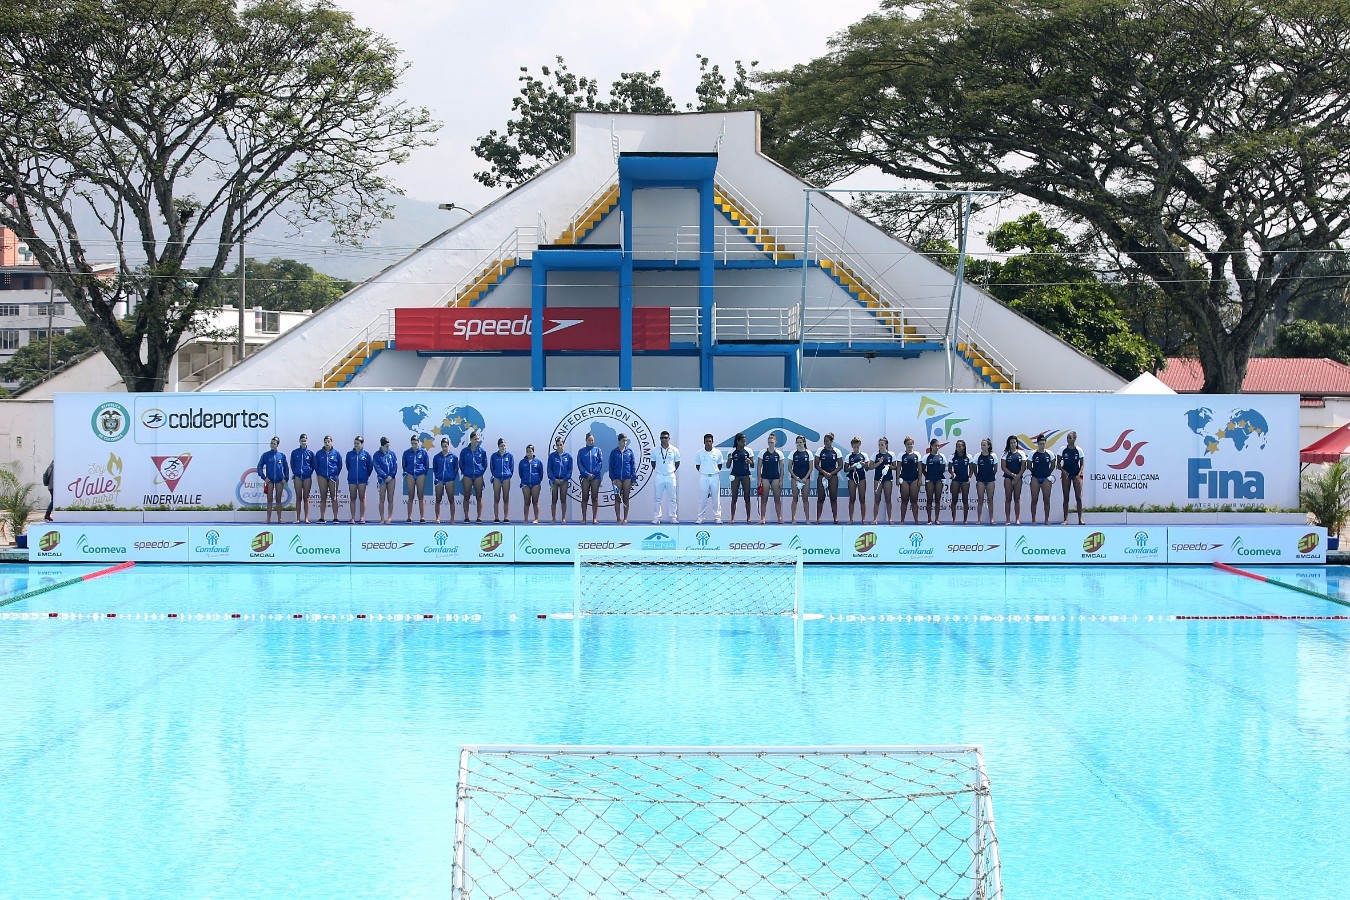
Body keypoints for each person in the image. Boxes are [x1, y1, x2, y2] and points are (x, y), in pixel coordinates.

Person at [256, 436, 290, 524]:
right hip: (270, 480)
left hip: (279, 480)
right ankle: (268, 519)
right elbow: (259, 467)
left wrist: (285, 478)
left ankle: (280, 519)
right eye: (271, 443)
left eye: (274, 443)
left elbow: (286, 468)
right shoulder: (266, 455)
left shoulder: (281, 456)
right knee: (269, 499)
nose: (272, 445)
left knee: (278, 500)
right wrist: (264, 477)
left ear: (277, 445)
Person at [649, 430, 680, 524]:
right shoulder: (655, 450)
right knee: (657, 498)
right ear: (660, 439)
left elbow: (677, 462)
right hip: (659, 476)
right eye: (662, 438)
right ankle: (656, 517)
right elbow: (653, 463)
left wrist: (671, 471)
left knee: (672, 498)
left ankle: (673, 517)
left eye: (666, 438)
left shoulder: (674, 450)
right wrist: (660, 470)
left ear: (669, 439)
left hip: (670, 476)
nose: (664, 439)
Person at [694, 433, 724, 525]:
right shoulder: (699, 453)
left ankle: (717, 517)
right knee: (703, 498)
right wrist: (705, 471)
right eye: (707, 441)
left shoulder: (717, 452)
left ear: (712, 442)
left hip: (715, 476)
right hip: (704, 477)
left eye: (710, 441)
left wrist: (713, 471)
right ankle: (700, 517)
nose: (708, 443)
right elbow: (697, 465)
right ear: (704, 442)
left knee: (716, 498)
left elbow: (720, 465)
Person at [608, 433, 637, 524]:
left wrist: (633, 479)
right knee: (617, 498)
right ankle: (618, 518)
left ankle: (625, 518)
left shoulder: (629, 452)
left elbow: (633, 466)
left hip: (627, 478)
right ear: (619, 441)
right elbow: (611, 466)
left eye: (626, 441)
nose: (625, 442)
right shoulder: (614, 452)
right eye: (623, 440)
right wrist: (613, 478)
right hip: (617, 478)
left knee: (626, 498)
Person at [1028, 434, 1057, 525]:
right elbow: (1029, 466)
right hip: (1035, 478)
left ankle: (1046, 520)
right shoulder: (1033, 454)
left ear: (1045, 443)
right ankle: (1033, 520)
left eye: (1043, 443)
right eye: (1040, 443)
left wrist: (1047, 473)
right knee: (1034, 499)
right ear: (1037, 444)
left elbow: (1053, 465)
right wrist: (1035, 472)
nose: (1042, 445)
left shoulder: (1050, 454)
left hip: (1046, 479)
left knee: (1046, 499)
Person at [459, 432, 487, 523]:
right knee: (466, 496)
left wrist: (480, 472)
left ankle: (479, 517)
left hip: (478, 476)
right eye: (475, 439)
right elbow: (461, 464)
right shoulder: (464, 451)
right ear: (471, 439)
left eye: (478, 439)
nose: (477, 441)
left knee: (479, 497)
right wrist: (465, 472)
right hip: (467, 476)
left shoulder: (482, 451)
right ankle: (466, 517)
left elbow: (484, 464)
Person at [1059, 430, 1086, 525]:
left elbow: (1082, 464)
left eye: (1070, 438)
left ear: (1075, 439)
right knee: (1066, 497)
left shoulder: (1079, 450)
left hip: (1076, 475)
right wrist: (1064, 472)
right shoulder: (1062, 449)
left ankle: (1080, 519)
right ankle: (1065, 519)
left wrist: (1079, 475)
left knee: (1078, 497)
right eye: (1067, 438)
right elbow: (1058, 464)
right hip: (1066, 475)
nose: (1068, 440)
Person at [577, 432, 605, 525]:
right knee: (584, 497)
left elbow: (600, 463)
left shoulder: (598, 450)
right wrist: (586, 473)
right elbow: (579, 464)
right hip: (585, 477)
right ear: (586, 441)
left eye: (592, 440)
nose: (591, 442)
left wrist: (593, 473)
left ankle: (594, 518)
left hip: (595, 477)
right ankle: (584, 518)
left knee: (595, 497)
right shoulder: (581, 451)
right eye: (589, 440)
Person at [815, 433, 843, 524]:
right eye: (824, 441)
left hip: (833, 476)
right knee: (821, 498)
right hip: (822, 475)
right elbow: (816, 464)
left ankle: (835, 518)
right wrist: (824, 473)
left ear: (831, 441)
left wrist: (831, 473)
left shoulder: (836, 451)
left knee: (833, 498)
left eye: (827, 441)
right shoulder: (820, 450)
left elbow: (840, 465)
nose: (825, 443)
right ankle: (818, 518)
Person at [757, 433, 784, 525]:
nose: (770, 444)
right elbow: (759, 466)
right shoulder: (762, 453)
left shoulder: (779, 453)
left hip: (776, 478)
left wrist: (781, 479)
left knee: (777, 499)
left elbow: (781, 468)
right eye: (769, 442)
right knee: (764, 499)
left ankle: (779, 518)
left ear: (775, 442)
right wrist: (759, 479)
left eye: (772, 442)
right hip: (765, 478)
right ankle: (763, 518)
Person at [314, 435, 343, 523]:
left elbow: (340, 465)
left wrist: (335, 474)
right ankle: (322, 518)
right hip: (322, 476)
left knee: (334, 497)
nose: (327, 443)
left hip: (333, 477)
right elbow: (316, 465)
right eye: (325, 442)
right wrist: (319, 474)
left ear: (331, 442)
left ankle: (335, 518)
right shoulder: (319, 453)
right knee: (323, 497)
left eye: (328, 441)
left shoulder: (336, 453)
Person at [727, 432, 754, 524]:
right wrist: (729, 459)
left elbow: (753, 465)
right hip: (735, 475)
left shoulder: (749, 451)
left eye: (745, 441)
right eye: (742, 441)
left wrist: (750, 462)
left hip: (746, 475)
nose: (744, 443)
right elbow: (727, 466)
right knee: (734, 497)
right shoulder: (731, 451)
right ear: (738, 442)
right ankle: (732, 518)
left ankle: (748, 518)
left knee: (747, 497)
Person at [432, 437, 460, 524]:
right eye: (443, 446)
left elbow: (456, 469)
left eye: (446, 446)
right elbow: (435, 468)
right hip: (439, 480)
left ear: (448, 446)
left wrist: (452, 478)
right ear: (441, 446)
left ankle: (452, 519)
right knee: (438, 499)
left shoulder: (454, 457)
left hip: (449, 480)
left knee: (451, 499)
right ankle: (437, 518)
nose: (444, 448)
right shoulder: (437, 457)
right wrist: (437, 476)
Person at [345, 436, 373, 524]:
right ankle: (352, 518)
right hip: (352, 479)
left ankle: (362, 517)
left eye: (358, 443)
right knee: (352, 498)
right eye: (355, 443)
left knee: (362, 498)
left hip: (362, 480)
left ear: (362, 444)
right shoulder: (349, 454)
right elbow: (348, 466)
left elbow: (370, 467)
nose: (356, 445)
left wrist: (365, 475)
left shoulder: (366, 454)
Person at [1001, 435, 1027, 525]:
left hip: (1018, 478)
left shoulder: (1021, 453)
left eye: (1014, 442)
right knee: (1008, 498)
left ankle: (1017, 519)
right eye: (1011, 442)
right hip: (1008, 478)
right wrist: (1012, 475)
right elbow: (1003, 467)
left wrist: (1017, 476)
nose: (1013, 444)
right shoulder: (1005, 453)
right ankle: (1008, 519)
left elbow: (1024, 467)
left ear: (1017, 443)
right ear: (1009, 443)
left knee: (1017, 499)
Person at [403, 435, 430, 523]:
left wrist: (423, 473)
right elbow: (404, 464)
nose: (414, 444)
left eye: (416, 443)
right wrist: (407, 471)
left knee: (420, 496)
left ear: (418, 442)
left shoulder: (423, 452)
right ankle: (409, 517)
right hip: (410, 474)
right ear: (411, 443)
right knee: (410, 496)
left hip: (420, 474)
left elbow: (426, 464)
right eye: (412, 443)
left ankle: (422, 517)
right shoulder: (406, 453)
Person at [547, 437, 574, 524]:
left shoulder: (568, 456)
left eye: (561, 445)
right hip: (554, 480)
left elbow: (570, 470)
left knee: (563, 499)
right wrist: (553, 479)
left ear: (563, 445)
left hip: (564, 480)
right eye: (558, 445)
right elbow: (549, 469)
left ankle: (563, 518)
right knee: (554, 499)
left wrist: (565, 479)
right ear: (556, 446)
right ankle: (553, 518)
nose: (559, 447)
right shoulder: (552, 456)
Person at [373, 437, 399, 525]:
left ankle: (389, 518)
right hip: (382, 479)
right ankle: (382, 518)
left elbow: (395, 466)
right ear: (382, 446)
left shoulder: (392, 454)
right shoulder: (376, 455)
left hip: (391, 479)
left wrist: (391, 476)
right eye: (386, 446)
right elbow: (377, 467)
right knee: (381, 499)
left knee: (390, 499)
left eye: (389, 446)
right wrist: (385, 476)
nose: (388, 448)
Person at [788, 435, 814, 525]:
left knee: (805, 499)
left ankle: (807, 519)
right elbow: (789, 468)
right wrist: (795, 477)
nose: (799, 444)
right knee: (795, 498)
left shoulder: (809, 453)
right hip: (795, 478)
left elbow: (811, 468)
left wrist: (805, 478)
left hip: (805, 479)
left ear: (804, 443)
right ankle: (793, 519)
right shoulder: (793, 453)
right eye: (797, 442)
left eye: (800, 442)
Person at [290, 434, 315, 523]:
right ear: (299, 441)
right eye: (302, 440)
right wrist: (296, 472)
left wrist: (309, 472)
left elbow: (313, 465)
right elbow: (292, 464)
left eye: (305, 440)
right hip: (297, 477)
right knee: (298, 497)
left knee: (306, 498)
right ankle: (297, 518)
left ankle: (306, 518)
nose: (303, 442)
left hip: (307, 477)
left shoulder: (310, 453)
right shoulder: (294, 452)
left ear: (307, 441)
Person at [870, 437, 895, 525]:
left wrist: (889, 465)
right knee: (877, 499)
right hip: (878, 479)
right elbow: (870, 467)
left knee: (888, 499)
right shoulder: (875, 454)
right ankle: (875, 519)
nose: (880, 446)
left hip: (888, 479)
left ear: (886, 445)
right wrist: (879, 463)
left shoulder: (891, 454)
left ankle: (890, 519)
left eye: (882, 445)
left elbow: (895, 467)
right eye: (879, 445)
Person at [923, 438, 948, 525]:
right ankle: (929, 519)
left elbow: (944, 468)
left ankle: (937, 519)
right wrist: (928, 476)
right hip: (929, 479)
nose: (937, 447)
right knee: (929, 499)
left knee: (937, 500)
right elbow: (922, 469)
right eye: (935, 446)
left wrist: (940, 476)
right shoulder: (926, 457)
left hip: (939, 480)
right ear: (931, 446)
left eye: (938, 446)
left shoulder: (942, 456)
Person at [897, 436, 922, 524]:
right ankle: (902, 520)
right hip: (904, 479)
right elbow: (899, 467)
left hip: (914, 479)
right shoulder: (901, 455)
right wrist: (897, 478)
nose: (909, 446)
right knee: (904, 500)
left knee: (914, 500)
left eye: (911, 444)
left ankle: (916, 520)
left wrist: (920, 479)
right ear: (905, 445)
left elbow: (919, 467)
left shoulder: (917, 454)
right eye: (908, 444)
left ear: (913, 445)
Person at [490, 437, 515, 523]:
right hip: (497, 477)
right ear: (498, 446)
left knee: (506, 497)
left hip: (506, 478)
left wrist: (509, 474)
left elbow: (511, 468)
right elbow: (492, 467)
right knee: (496, 497)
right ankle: (496, 517)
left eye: (504, 445)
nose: (503, 447)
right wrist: (495, 474)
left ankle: (506, 517)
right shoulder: (494, 456)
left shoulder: (509, 456)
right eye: (501, 446)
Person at [845, 436, 869, 525]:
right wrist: (852, 467)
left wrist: (864, 464)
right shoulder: (849, 456)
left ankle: (863, 519)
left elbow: (867, 468)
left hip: (862, 478)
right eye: (854, 447)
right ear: (852, 446)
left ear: (860, 445)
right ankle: (851, 519)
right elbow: (845, 469)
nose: (856, 448)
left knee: (862, 498)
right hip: (852, 478)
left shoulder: (864, 455)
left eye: (857, 447)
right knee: (852, 498)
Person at [518, 444, 544, 524]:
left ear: (533, 452)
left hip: (535, 483)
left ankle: (536, 519)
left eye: (530, 451)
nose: (529, 453)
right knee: (526, 501)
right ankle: (526, 519)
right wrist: (524, 480)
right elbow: (520, 473)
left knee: (535, 501)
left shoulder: (538, 462)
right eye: (527, 451)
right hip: (525, 483)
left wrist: (537, 480)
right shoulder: (522, 462)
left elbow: (541, 473)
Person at [975, 438, 999, 525]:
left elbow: (995, 468)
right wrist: (977, 476)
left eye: (984, 445)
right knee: (980, 499)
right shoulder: (977, 456)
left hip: (990, 480)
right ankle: (978, 519)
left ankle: (991, 519)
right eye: (981, 445)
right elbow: (974, 467)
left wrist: (991, 475)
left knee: (990, 499)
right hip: (980, 480)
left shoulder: (993, 456)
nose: (982, 446)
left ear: (988, 446)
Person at [948, 439, 972, 525]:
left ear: (964, 447)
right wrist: (952, 473)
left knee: (965, 500)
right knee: (954, 500)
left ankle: (965, 519)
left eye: (960, 446)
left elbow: (971, 468)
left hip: (965, 480)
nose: (958, 447)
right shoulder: (952, 456)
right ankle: (954, 519)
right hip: (956, 480)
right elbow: (949, 468)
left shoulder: (968, 456)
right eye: (957, 446)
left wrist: (969, 477)